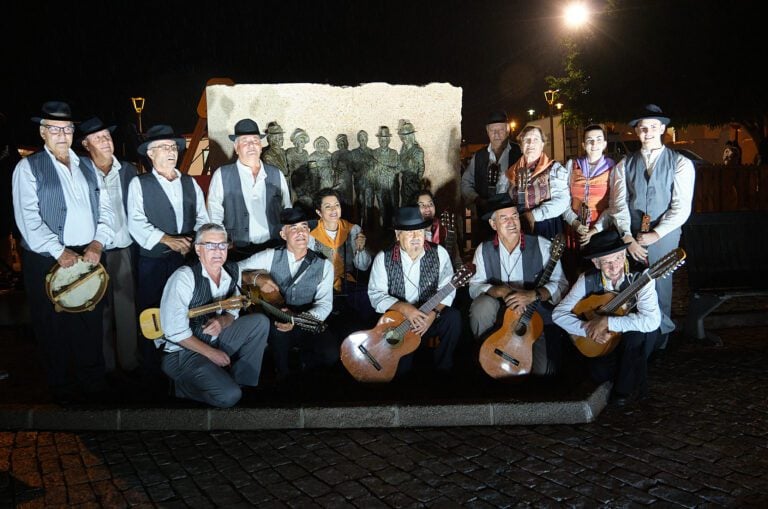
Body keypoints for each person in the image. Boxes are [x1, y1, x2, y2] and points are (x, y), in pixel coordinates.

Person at [12, 101, 116, 403]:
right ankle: (62, 387)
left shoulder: (87, 164)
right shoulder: (28, 167)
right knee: (53, 326)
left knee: (90, 322)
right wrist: (58, 251)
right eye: (54, 129)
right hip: (47, 260)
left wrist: (98, 243)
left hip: (89, 256)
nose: (61, 134)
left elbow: (105, 207)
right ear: (43, 133)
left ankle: (93, 383)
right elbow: (27, 218)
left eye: (67, 128)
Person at [609, 104, 695, 355]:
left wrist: (657, 233)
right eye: (642, 128)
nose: (647, 133)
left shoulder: (680, 163)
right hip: (632, 235)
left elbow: (680, 208)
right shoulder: (624, 164)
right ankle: (634, 336)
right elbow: (618, 204)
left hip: (664, 235)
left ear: (662, 129)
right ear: (637, 132)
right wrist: (627, 236)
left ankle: (661, 337)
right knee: (630, 286)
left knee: (661, 286)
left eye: (652, 127)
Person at [127, 124, 209, 379]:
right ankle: (151, 372)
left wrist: (195, 240)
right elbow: (136, 222)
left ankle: (185, 366)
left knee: (185, 311)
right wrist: (167, 240)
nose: (171, 151)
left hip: (184, 262)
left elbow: (202, 218)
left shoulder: (189, 182)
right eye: (164, 147)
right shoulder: (140, 184)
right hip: (153, 263)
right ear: (150, 154)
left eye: (174, 147)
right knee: (152, 315)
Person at [159, 223, 269, 408]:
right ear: (198, 249)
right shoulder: (184, 278)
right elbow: (174, 332)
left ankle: (242, 384)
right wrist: (212, 354)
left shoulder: (231, 271)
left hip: (214, 339)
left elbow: (232, 310)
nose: (217, 251)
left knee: (259, 323)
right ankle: (182, 388)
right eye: (210, 245)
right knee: (228, 396)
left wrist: (223, 320)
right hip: (183, 352)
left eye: (222, 245)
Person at [552, 229, 661, 406]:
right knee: (598, 372)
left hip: (638, 337)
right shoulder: (587, 279)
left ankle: (624, 392)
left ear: (625, 253)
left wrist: (607, 321)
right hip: (606, 342)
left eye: (618, 258)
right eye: (607, 262)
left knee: (635, 338)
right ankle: (625, 373)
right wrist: (589, 329)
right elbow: (558, 314)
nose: (614, 266)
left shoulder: (641, 276)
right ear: (596, 263)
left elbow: (651, 321)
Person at [467, 193, 569, 376]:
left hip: (534, 315)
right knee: (481, 306)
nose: (511, 222)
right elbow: (474, 286)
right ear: (493, 224)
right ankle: (485, 356)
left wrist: (534, 295)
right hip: (500, 316)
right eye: (504, 218)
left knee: (543, 371)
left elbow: (561, 284)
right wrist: (499, 291)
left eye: (514, 216)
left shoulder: (543, 245)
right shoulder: (484, 250)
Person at [240, 208, 337, 383]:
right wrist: (255, 278)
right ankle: (282, 378)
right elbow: (235, 270)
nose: (301, 232)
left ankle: (305, 370)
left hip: (306, 318)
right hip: (275, 320)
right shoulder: (270, 256)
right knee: (278, 334)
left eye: (304, 227)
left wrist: (297, 319)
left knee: (331, 354)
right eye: (293, 228)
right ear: (283, 234)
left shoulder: (324, 265)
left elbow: (325, 304)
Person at [367, 206, 462, 376]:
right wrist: (405, 309)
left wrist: (432, 314)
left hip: (429, 317)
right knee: (402, 370)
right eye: (409, 232)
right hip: (398, 323)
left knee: (453, 318)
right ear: (398, 234)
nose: (416, 237)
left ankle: (444, 369)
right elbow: (376, 295)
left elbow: (447, 289)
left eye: (419, 231)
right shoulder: (383, 258)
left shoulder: (439, 253)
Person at [79, 116, 140, 375]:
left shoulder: (128, 170)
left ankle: (130, 363)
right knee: (99, 311)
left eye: (107, 136)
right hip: (93, 251)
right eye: (98, 138)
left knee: (127, 308)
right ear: (85, 143)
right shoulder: (80, 170)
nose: (105, 141)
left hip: (124, 249)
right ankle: (105, 366)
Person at [207, 119, 291, 261]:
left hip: (274, 249)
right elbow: (214, 214)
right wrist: (222, 242)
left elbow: (287, 210)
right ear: (236, 147)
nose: (251, 145)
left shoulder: (276, 174)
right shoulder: (222, 175)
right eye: (245, 141)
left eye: (255, 140)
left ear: (261, 146)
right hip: (238, 251)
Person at [309, 188, 375, 333]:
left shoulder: (352, 229)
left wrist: (361, 249)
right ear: (319, 212)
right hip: (322, 286)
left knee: (366, 304)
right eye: (328, 207)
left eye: (337, 205)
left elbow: (363, 267)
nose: (334, 210)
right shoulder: (311, 235)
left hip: (348, 283)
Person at [561, 124, 615, 281]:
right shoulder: (572, 165)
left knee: (596, 274)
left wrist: (594, 231)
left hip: (600, 229)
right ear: (583, 144)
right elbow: (564, 200)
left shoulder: (613, 168)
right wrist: (575, 222)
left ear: (605, 144)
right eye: (589, 140)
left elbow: (613, 205)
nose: (594, 144)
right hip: (574, 228)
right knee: (572, 272)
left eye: (599, 140)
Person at [461, 110, 522, 246]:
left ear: (507, 130)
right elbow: (465, 183)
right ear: (487, 132)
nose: (496, 134)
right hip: (486, 217)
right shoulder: (479, 156)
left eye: (500, 130)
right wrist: (477, 199)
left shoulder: (520, 152)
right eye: (492, 131)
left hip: (513, 216)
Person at [502, 125, 570, 239]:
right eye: (527, 140)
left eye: (536, 139)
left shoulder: (554, 169)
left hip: (545, 226)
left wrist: (533, 216)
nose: (531, 143)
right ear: (521, 145)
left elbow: (562, 201)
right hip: (517, 227)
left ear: (542, 144)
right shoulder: (511, 171)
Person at [416, 189, 462, 268]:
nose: (427, 208)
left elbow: (456, 260)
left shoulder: (445, 228)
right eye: (422, 205)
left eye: (430, 204)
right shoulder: (410, 233)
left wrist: (460, 269)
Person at [371, 126, 400, 228]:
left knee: (394, 209)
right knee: (383, 210)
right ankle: (385, 231)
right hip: (380, 187)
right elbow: (371, 171)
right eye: (381, 139)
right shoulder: (373, 153)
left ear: (389, 139)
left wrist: (385, 168)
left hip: (392, 187)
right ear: (378, 139)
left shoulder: (394, 153)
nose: (383, 141)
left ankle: (395, 232)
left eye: (385, 139)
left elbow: (398, 169)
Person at [349, 129, 375, 226]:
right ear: (358, 140)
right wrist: (358, 170)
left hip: (370, 184)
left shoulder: (372, 152)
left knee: (369, 205)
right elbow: (350, 168)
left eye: (364, 138)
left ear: (367, 139)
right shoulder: (353, 153)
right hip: (359, 184)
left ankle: (370, 227)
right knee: (360, 204)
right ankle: (359, 227)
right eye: (361, 138)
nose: (363, 140)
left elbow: (375, 168)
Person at [397, 120, 425, 208]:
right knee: (405, 206)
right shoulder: (403, 150)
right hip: (405, 184)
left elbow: (421, 168)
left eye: (405, 136)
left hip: (413, 185)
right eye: (402, 136)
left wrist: (415, 181)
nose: (403, 138)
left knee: (414, 206)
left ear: (411, 136)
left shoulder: (417, 151)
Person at [330, 134, 354, 211]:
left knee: (347, 201)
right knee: (338, 201)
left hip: (347, 181)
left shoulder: (350, 154)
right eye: (339, 143)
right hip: (337, 180)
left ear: (346, 143)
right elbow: (333, 168)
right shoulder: (334, 154)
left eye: (343, 142)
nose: (341, 144)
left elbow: (353, 168)